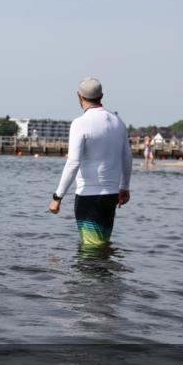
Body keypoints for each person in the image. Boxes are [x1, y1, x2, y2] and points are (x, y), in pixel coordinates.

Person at [48, 77, 132, 247]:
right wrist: (124, 186)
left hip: (89, 195)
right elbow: (127, 157)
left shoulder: (80, 123)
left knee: (91, 247)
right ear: (101, 96)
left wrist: (58, 196)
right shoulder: (118, 121)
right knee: (102, 244)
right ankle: (105, 272)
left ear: (79, 96)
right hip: (111, 195)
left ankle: (91, 273)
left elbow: (73, 162)